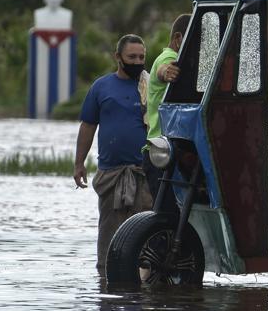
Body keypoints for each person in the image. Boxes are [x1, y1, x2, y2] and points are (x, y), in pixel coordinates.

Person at [74, 34, 152, 270]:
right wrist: (79, 164)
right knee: (109, 235)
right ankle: (106, 282)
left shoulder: (152, 87)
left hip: (145, 173)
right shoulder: (101, 86)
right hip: (111, 175)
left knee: (145, 236)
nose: (137, 62)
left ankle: (144, 289)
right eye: (131, 57)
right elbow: (88, 126)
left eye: (141, 57)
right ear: (118, 57)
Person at [143, 14, 188, 215]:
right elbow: (164, 69)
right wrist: (167, 72)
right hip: (163, 153)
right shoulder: (169, 58)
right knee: (168, 217)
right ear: (178, 39)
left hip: (167, 150)